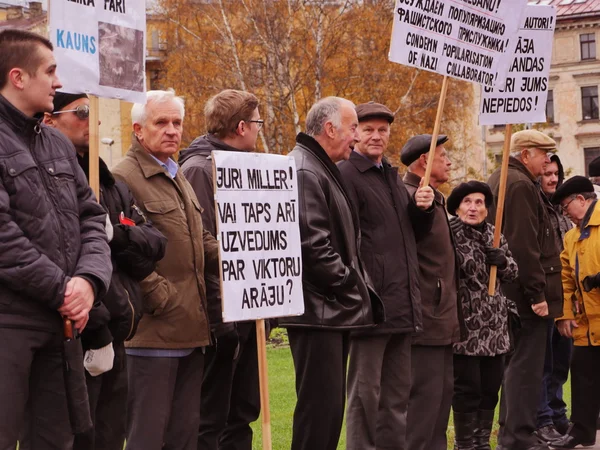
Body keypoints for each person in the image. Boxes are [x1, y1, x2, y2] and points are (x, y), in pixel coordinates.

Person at [0, 29, 112, 448]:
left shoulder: (57, 146)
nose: (59, 82)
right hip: (9, 324)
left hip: (61, 327)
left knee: (55, 442)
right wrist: (63, 289)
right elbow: (4, 239)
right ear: (18, 77)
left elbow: (93, 220)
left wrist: (88, 281)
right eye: (50, 71)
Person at [43, 91, 167, 450]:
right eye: (82, 111)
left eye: (94, 110)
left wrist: (117, 234)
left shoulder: (111, 184)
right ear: (50, 120)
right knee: (76, 436)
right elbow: (65, 260)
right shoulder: (54, 181)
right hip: (77, 334)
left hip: (117, 332)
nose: (92, 119)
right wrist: (96, 331)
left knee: (111, 436)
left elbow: (154, 246)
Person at [112, 89, 220, 450]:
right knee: (148, 437)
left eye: (177, 122)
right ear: (139, 129)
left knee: (184, 437)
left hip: (190, 328)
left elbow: (199, 238)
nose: (172, 130)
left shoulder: (176, 173)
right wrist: (160, 296)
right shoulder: (123, 177)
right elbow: (121, 250)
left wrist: (242, 261)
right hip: (152, 332)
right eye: (162, 122)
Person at [278, 96, 384, 450]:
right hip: (318, 311)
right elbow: (313, 245)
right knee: (319, 412)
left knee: (326, 411)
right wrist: (351, 287)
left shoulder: (316, 166)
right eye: (353, 127)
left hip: (325, 310)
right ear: (329, 128)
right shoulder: (306, 169)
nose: (356, 137)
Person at [337, 101, 434, 450]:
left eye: (383, 130)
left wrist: (423, 210)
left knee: (396, 399)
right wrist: (361, 292)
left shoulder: (390, 175)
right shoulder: (346, 174)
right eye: (369, 129)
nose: (377, 136)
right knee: (365, 397)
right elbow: (346, 241)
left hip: (403, 303)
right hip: (370, 307)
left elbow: (409, 237)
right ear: (354, 133)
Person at [178, 89, 262, 450]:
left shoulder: (247, 166)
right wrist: (221, 319)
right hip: (221, 316)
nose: (260, 130)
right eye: (257, 123)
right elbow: (204, 247)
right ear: (241, 126)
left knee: (242, 410)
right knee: (211, 416)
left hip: (248, 312)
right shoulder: (199, 169)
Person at [487, 130, 563, 450]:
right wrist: (537, 294)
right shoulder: (518, 184)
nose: (547, 160)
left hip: (514, 292)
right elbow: (523, 245)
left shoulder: (510, 179)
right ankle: (517, 437)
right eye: (543, 153)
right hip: (524, 296)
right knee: (524, 370)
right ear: (525, 153)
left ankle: (515, 433)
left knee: (519, 368)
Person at [401, 133, 464, 450]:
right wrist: (420, 208)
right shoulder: (410, 197)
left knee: (440, 403)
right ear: (425, 161)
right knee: (423, 406)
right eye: (443, 155)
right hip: (425, 318)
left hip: (442, 320)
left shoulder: (436, 199)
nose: (449, 161)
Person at [447, 181, 519, 450]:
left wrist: (502, 261)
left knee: (490, 390)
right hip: (465, 326)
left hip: (496, 327)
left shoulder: (495, 233)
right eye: (467, 202)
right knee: (467, 390)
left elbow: (513, 272)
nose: (474, 208)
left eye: (479, 202)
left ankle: (481, 443)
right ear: (457, 207)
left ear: (488, 209)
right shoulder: (449, 233)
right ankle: (464, 444)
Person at [550, 176, 600, 449]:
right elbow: (566, 279)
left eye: (566, 205)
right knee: (581, 375)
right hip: (586, 324)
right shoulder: (571, 236)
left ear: (582, 200)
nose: (564, 212)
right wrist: (564, 314)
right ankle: (581, 430)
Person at [536, 155, 573, 443]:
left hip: (565, 297)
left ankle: (558, 415)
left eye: (556, 174)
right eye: (547, 173)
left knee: (562, 361)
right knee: (544, 363)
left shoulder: (562, 210)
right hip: (545, 297)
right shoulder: (536, 206)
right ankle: (544, 418)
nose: (552, 179)